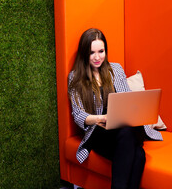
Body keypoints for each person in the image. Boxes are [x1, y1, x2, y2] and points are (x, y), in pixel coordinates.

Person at [68, 28, 163, 189]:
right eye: (92, 53)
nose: (97, 57)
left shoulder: (116, 69)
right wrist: (101, 118)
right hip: (98, 132)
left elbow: (127, 99)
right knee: (137, 152)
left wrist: (135, 112)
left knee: (137, 151)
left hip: (122, 130)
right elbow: (78, 114)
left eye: (101, 51)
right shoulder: (75, 77)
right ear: (84, 53)